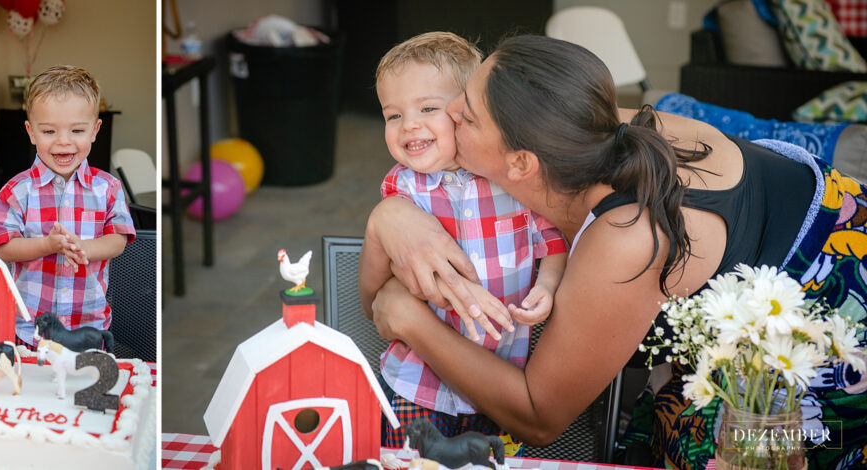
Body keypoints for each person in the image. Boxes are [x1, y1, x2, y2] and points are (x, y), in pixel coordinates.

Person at [360, 34, 867, 469]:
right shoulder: (585, 129)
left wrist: (408, 316)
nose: (446, 113)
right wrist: (389, 217)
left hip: (836, 355)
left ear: (520, 164)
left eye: (465, 114)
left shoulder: (627, 236)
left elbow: (540, 414)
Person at [365, 32, 568, 451]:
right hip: (415, 384)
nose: (410, 126)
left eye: (428, 108)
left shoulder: (511, 180)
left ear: (466, 113)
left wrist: (546, 287)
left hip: (501, 380)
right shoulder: (403, 188)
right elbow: (376, 288)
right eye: (393, 115)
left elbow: (551, 240)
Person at [0, 64, 136, 350]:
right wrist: (49, 245)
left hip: (89, 329)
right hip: (30, 331)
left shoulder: (108, 188)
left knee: (84, 391)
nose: (63, 142)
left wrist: (82, 247)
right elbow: (3, 248)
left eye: (77, 130)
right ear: (31, 133)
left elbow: (119, 239)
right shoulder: (16, 191)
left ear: (95, 131)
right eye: (49, 131)